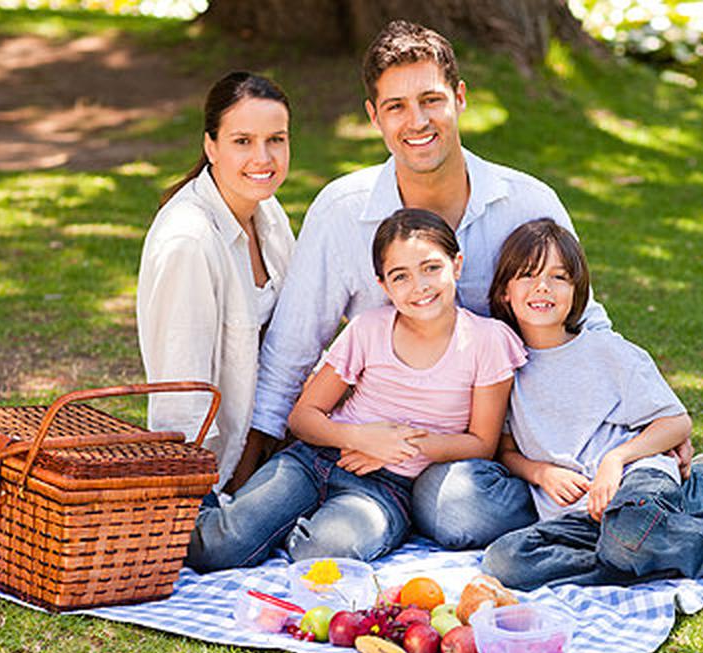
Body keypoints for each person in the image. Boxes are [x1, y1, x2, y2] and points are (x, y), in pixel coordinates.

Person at [233, 19, 617, 550]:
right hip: (371, 453)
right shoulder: (342, 211)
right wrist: (242, 477)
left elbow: (587, 326)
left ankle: (668, 489)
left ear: (460, 98)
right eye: (395, 106)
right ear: (373, 116)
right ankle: (382, 513)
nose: (417, 122)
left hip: (490, 452)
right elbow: (290, 354)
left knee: (463, 509)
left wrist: (639, 436)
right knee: (432, 511)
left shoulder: (528, 203)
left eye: (431, 100)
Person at [479, 220, 703, 590]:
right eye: (527, 275)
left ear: (576, 290)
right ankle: (692, 538)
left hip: (636, 481)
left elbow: (676, 423)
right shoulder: (504, 366)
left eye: (558, 276)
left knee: (629, 534)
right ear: (505, 291)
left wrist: (614, 460)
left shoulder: (607, 352)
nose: (542, 287)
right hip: (581, 515)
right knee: (505, 562)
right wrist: (540, 473)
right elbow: (505, 448)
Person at [185, 209, 527, 571]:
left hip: (385, 491)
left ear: (456, 265)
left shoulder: (487, 341)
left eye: (431, 268)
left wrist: (397, 448)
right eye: (401, 276)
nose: (420, 286)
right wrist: (360, 438)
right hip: (315, 460)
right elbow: (303, 417)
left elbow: (482, 443)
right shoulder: (369, 329)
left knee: (324, 552)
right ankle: (191, 509)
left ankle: (284, 527)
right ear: (383, 285)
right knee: (219, 549)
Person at [136, 71, 296, 493]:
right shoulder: (189, 241)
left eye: (276, 139)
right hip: (217, 471)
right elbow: (180, 394)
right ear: (211, 146)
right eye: (243, 141)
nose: (263, 157)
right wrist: (195, 497)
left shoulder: (268, 212)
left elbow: (296, 335)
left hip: (275, 435)